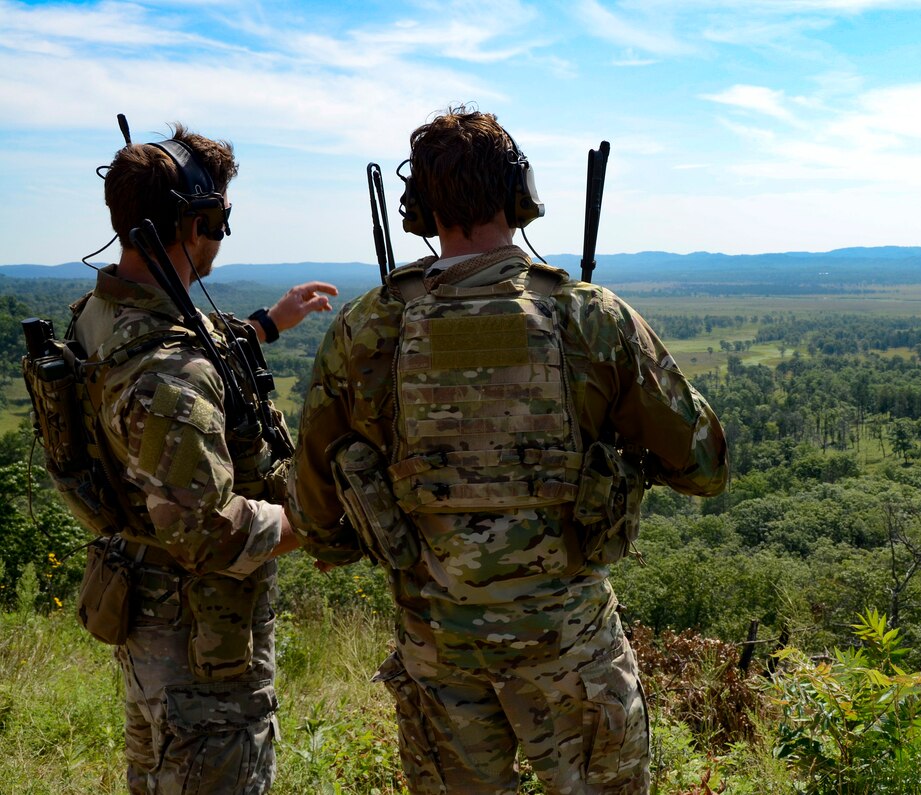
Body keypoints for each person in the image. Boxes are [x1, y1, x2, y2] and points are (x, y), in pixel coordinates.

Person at [287, 107, 728, 794]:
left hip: (436, 654)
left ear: (418, 209)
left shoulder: (366, 328)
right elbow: (705, 464)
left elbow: (317, 516)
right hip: (569, 650)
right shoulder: (589, 317)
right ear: (520, 194)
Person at [69, 123, 337, 794]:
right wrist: (319, 518)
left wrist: (264, 328)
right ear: (197, 221)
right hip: (201, 655)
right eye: (219, 217)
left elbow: (175, 350)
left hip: (150, 623)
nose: (220, 232)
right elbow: (207, 530)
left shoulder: (98, 315)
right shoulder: (171, 375)